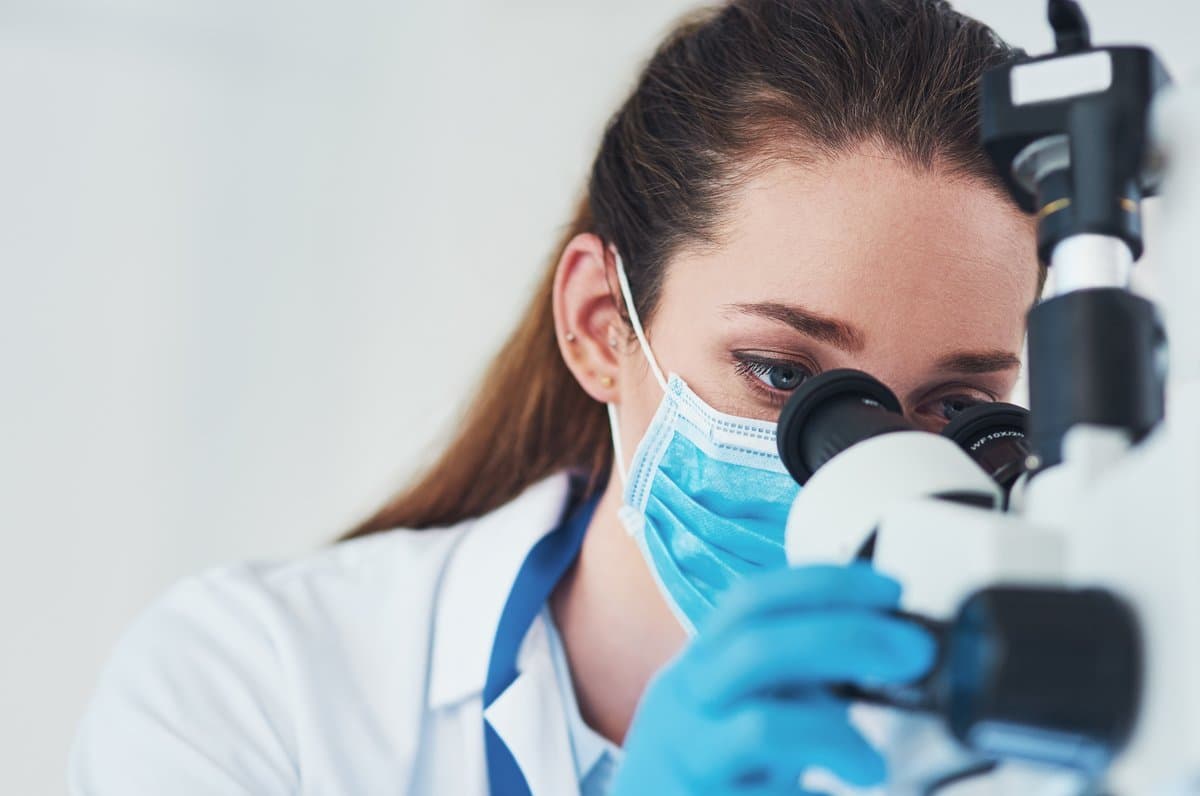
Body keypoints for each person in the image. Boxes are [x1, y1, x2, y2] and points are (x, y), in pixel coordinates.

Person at [69, 0, 1047, 793]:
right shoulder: (258, 684)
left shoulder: (1022, 748)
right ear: (597, 324)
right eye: (785, 377)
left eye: (958, 409)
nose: (868, 465)